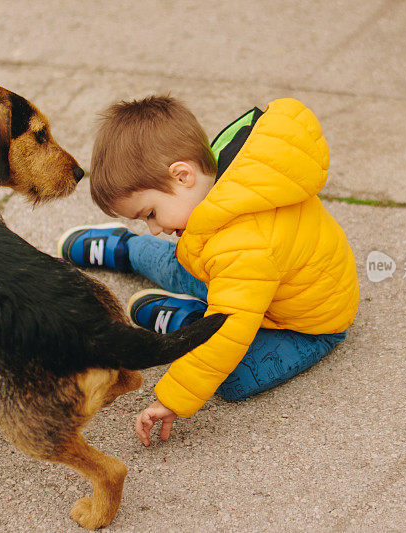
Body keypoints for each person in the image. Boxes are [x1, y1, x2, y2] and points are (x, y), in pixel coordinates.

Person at [57, 96, 359, 446]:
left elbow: (231, 326)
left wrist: (172, 399)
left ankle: (191, 322)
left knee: (231, 380)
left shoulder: (245, 244)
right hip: (254, 287)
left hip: (308, 324)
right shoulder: (221, 177)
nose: (154, 228)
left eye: (150, 214)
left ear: (182, 175)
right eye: (143, 221)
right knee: (179, 262)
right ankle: (126, 248)